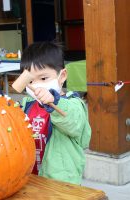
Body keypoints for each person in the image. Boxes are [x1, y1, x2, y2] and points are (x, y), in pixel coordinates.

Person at [19, 41, 91, 185]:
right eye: (30, 81)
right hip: (31, 178)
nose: (36, 86)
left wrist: (54, 101)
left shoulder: (73, 103)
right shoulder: (27, 104)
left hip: (61, 181)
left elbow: (73, 122)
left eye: (44, 78)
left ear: (62, 76)